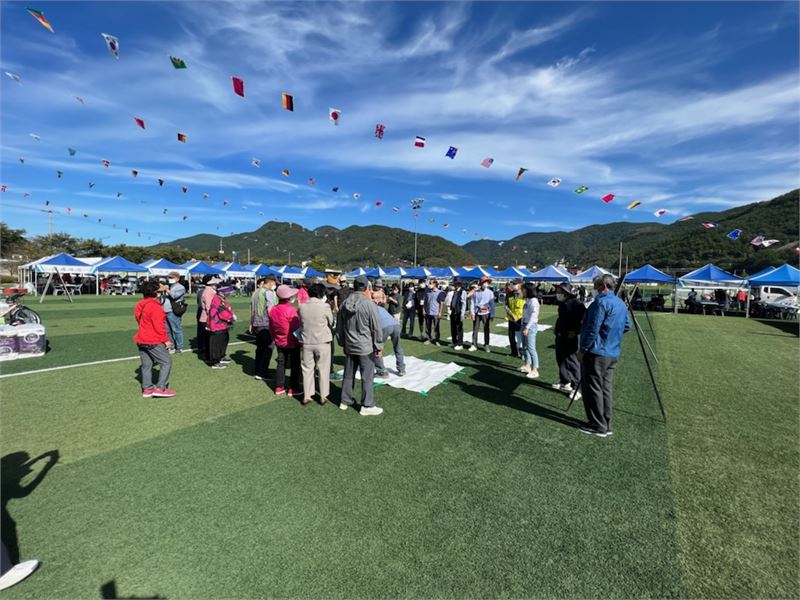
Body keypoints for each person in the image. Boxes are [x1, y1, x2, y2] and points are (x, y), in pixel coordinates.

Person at [578, 274, 632, 437]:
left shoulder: (600, 303)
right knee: (605, 389)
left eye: (596, 286)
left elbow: (592, 329)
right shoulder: (620, 303)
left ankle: (597, 425)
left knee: (593, 388)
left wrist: (583, 350)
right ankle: (606, 423)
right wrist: (612, 336)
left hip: (597, 352)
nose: (594, 289)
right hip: (612, 351)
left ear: (602, 286)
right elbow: (627, 326)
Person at [335, 275, 384, 416]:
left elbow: (339, 327)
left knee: (348, 374)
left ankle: (345, 400)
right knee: (367, 377)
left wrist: (342, 342)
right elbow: (376, 328)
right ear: (367, 287)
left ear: (354, 286)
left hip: (350, 345)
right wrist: (379, 346)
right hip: (365, 347)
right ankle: (367, 405)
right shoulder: (369, 304)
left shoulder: (344, 303)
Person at [134, 279, 175, 398]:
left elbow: (138, 319)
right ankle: (161, 388)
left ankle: (147, 389)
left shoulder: (140, 304)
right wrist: (166, 340)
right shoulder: (156, 307)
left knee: (146, 365)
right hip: (153, 340)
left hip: (141, 338)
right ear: (156, 293)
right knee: (166, 362)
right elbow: (160, 327)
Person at [298, 283, 334, 405]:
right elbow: (331, 321)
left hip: (306, 341)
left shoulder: (302, 307)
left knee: (307, 369)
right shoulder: (325, 306)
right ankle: (323, 395)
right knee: (323, 369)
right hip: (322, 341)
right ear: (322, 294)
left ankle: (307, 395)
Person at [551, 282, 586, 397]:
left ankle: (577, 388)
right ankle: (565, 381)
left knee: (572, 362)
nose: (557, 293)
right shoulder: (562, 303)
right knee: (560, 359)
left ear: (566, 292)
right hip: (560, 335)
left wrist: (576, 331)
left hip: (570, 337)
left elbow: (583, 321)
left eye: (559, 291)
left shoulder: (577, 304)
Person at [269, 285, 302, 396]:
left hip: (279, 341)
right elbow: (296, 329)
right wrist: (300, 341)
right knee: (295, 364)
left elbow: (271, 327)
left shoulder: (273, 309)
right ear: (288, 297)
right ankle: (293, 388)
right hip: (292, 342)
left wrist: (275, 338)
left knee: (281, 363)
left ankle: (279, 387)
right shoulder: (291, 310)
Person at [249, 276, 277, 380]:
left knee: (260, 348)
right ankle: (263, 371)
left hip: (257, 323)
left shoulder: (256, 292)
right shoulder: (268, 292)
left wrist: (251, 323)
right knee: (268, 348)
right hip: (266, 323)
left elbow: (252, 309)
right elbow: (270, 308)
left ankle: (258, 369)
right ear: (271, 283)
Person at [206, 285, 236, 369]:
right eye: (228, 293)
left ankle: (221, 356)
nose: (229, 294)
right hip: (217, 325)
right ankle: (215, 362)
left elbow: (227, 308)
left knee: (223, 341)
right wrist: (231, 317)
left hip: (222, 325)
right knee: (216, 344)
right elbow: (222, 312)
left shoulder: (221, 299)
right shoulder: (217, 300)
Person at [375, 305, 406, 377]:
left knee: (377, 348)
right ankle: (402, 369)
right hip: (396, 324)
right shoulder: (381, 308)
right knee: (398, 347)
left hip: (385, 327)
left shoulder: (370, 308)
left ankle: (381, 371)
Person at [160, 271, 186, 354]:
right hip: (164, 310)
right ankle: (171, 346)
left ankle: (179, 347)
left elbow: (174, 296)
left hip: (173, 310)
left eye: (172, 277)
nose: (170, 279)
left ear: (177, 279)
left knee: (176, 329)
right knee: (167, 330)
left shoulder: (180, 287)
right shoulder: (168, 286)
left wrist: (166, 289)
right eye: (169, 277)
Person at [519, 283, 541, 378]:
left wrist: (527, 327)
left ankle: (535, 369)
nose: (522, 291)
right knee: (525, 347)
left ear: (528, 290)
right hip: (524, 324)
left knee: (531, 348)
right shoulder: (527, 300)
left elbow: (534, 315)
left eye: (523, 289)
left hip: (530, 326)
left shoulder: (534, 301)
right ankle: (527, 365)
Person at [197, 275, 221, 361]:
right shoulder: (208, 291)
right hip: (209, 318)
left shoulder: (210, 290)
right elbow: (209, 307)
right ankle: (211, 358)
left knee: (209, 339)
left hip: (209, 318)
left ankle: (210, 356)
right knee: (210, 340)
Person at [469, 276, 495, 352]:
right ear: (481, 283)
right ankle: (474, 344)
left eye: (487, 282)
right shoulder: (476, 292)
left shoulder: (490, 292)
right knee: (475, 329)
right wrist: (472, 313)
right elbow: (472, 303)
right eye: (484, 282)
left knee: (486, 329)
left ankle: (486, 344)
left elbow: (492, 304)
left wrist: (492, 314)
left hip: (486, 313)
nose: (485, 284)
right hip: (477, 312)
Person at [445, 277, 467, 350]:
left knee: (459, 328)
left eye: (457, 284)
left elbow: (464, 303)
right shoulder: (454, 291)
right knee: (453, 327)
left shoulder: (463, 291)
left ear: (459, 284)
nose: (455, 285)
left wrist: (462, 314)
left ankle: (460, 344)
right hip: (453, 311)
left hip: (459, 312)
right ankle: (454, 342)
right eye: (455, 284)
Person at [505, 280, 525, 358]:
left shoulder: (524, 294)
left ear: (520, 285)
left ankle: (522, 353)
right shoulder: (509, 294)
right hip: (511, 319)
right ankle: (514, 352)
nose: (513, 285)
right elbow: (506, 306)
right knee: (511, 336)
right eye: (512, 284)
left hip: (521, 319)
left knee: (520, 336)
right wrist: (511, 314)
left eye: (515, 284)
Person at [423, 279, 445, 345]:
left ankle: (437, 340)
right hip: (428, 312)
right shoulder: (427, 292)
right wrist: (424, 310)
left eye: (431, 283)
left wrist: (440, 312)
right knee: (427, 327)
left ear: (435, 284)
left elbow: (441, 303)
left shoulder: (440, 292)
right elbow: (425, 302)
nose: (429, 284)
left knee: (436, 327)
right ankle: (428, 339)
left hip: (436, 313)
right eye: (429, 283)